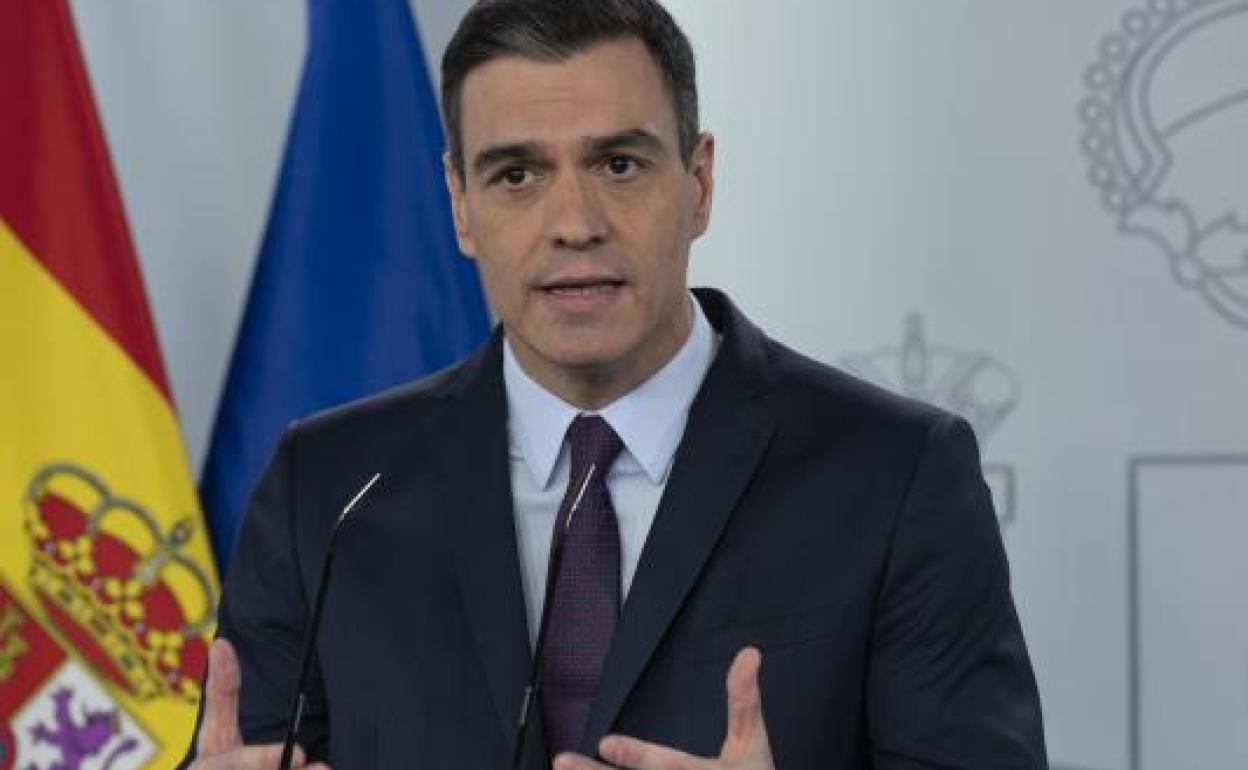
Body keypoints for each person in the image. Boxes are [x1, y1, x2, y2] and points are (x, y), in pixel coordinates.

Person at [185, 1, 1047, 768]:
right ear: (459, 205)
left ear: (698, 183)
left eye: (619, 165)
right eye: (516, 175)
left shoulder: (894, 476)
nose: (575, 224)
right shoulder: (330, 487)